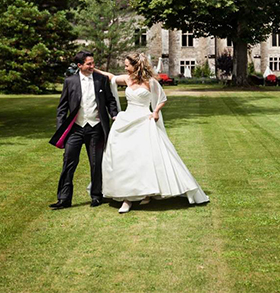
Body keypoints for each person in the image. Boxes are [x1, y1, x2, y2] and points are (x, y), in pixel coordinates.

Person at [94, 53, 209, 213]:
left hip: (143, 120)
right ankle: (128, 195)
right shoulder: (128, 79)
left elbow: (162, 99)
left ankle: (140, 195)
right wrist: (94, 69)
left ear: (136, 65)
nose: (125, 68)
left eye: (127, 65)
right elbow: (111, 77)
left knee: (144, 157)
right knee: (124, 156)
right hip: (127, 119)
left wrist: (155, 112)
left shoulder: (151, 82)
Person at [50, 51, 120, 209]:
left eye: (93, 63)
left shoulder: (101, 79)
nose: (92, 66)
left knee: (96, 163)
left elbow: (110, 101)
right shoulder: (70, 81)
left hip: (96, 128)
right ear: (79, 65)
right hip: (75, 129)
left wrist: (114, 114)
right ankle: (64, 199)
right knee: (68, 162)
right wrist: (62, 129)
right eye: (89, 64)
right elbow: (62, 108)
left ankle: (96, 196)